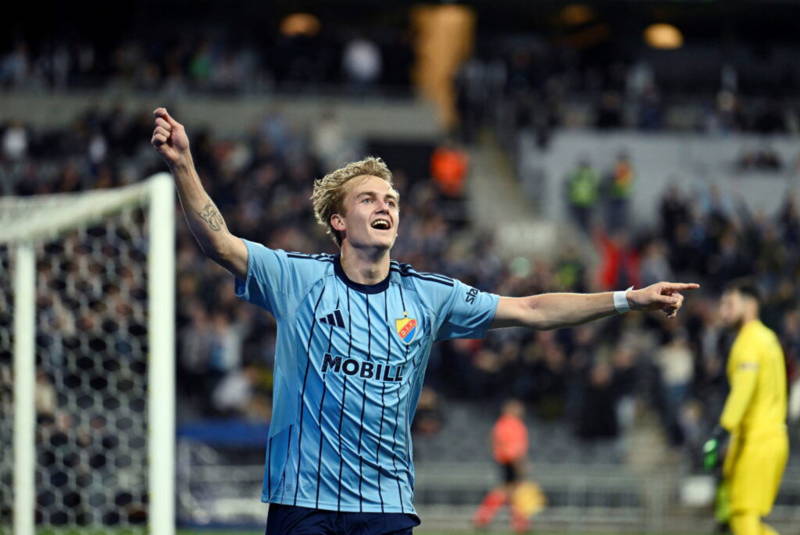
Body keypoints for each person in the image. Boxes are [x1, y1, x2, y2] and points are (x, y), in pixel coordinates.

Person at [150, 107, 699, 535]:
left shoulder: (430, 295)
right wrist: (184, 166)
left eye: (390, 198)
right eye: (368, 199)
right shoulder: (297, 278)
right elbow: (220, 243)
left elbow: (532, 309)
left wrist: (628, 298)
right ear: (338, 221)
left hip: (386, 504)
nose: (385, 205)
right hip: (303, 500)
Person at [704, 280, 788, 535]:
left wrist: (722, 430)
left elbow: (744, 388)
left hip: (757, 440)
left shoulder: (749, 340)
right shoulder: (768, 338)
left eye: (730, 304)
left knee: (743, 516)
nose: (723, 312)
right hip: (771, 437)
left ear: (751, 305)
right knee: (749, 521)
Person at [473, 399, 536, 533]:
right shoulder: (513, 425)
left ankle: (485, 518)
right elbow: (515, 448)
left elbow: (493, 442)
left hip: (504, 460)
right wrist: (521, 464)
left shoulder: (500, 424)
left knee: (508, 491)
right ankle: (518, 523)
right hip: (511, 461)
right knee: (511, 491)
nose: (521, 410)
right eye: (517, 407)